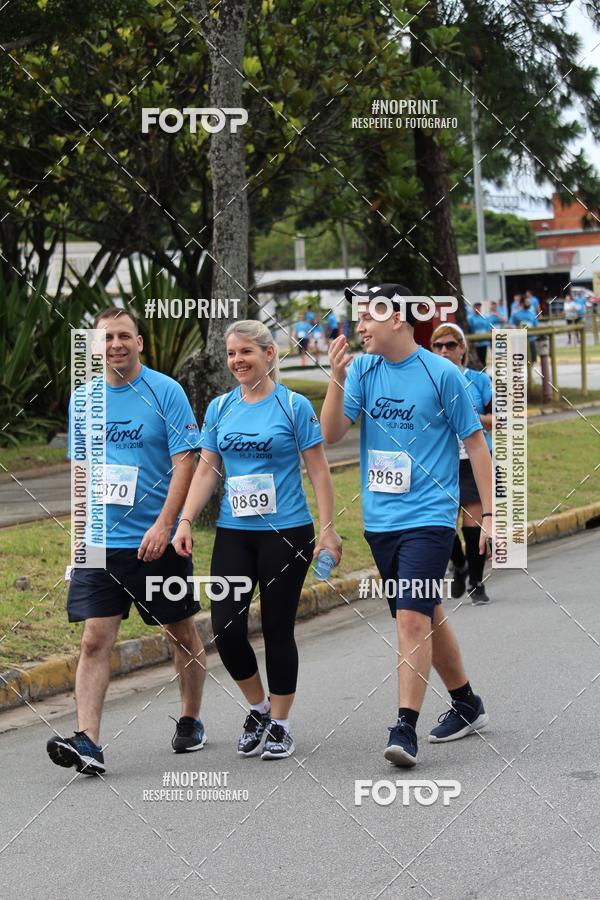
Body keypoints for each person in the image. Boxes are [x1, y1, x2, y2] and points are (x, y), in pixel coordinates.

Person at [321, 283, 491, 768]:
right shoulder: (363, 371)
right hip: (381, 521)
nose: (358, 327)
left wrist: (494, 516)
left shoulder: (443, 374)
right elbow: (332, 434)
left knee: (410, 619)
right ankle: (467, 702)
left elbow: (476, 445)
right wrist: (336, 378)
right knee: (426, 611)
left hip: (430, 518)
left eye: (367, 317)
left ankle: (404, 727)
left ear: (397, 318)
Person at [47, 307, 206, 776]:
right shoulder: (83, 400)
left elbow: (185, 463)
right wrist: (78, 540)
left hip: (154, 541)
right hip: (100, 542)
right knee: (95, 639)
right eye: (106, 338)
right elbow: (80, 472)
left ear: (139, 342)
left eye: (123, 336)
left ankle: (190, 717)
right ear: (96, 347)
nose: (115, 344)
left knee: (181, 632)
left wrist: (165, 523)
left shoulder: (166, 392)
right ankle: (88, 743)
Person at [173, 320, 342, 760]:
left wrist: (327, 528)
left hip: (286, 533)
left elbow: (319, 469)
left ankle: (282, 724)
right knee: (226, 628)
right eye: (231, 354)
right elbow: (208, 468)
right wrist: (186, 519)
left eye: (245, 352)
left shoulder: (293, 405)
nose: (237, 361)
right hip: (235, 532)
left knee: (277, 627)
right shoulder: (220, 407)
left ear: (269, 354)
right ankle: (259, 708)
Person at [431, 323, 493, 605]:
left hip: (473, 459)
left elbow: (502, 419)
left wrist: (471, 419)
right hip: (440, 460)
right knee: (441, 525)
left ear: (462, 349)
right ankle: (459, 564)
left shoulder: (478, 381)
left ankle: (477, 582)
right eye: (438, 346)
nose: (444, 351)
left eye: (450, 345)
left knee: (473, 524)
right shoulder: (428, 379)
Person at [510, 296, 538, 363]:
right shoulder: (516, 314)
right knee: (522, 360)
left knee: (533, 358)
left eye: (529, 302)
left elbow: (535, 325)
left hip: (532, 339)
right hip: (521, 340)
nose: (528, 303)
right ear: (522, 303)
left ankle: (530, 371)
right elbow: (510, 324)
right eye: (526, 302)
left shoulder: (532, 314)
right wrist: (516, 327)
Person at [467, 302, 491, 367]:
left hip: (484, 342)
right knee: (477, 359)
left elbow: (487, 328)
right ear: (473, 309)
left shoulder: (484, 317)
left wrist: (488, 339)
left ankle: (484, 372)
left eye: (479, 307)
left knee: (483, 359)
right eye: (476, 307)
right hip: (476, 342)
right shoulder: (471, 318)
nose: (478, 309)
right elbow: (470, 329)